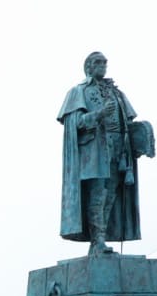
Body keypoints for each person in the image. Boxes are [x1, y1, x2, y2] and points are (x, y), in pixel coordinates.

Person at [58, 52, 151, 254]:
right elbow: (75, 123)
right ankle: (97, 241)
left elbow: (128, 122)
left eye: (105, 62)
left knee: (111, 196)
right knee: (98, 196)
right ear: (88, 67)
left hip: (118, 151)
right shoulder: (78, 92)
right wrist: (98, 115)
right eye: (98, 62)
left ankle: (99, 239)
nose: (103, 65)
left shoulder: (116, 93)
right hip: (95, 151)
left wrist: (141, 137)